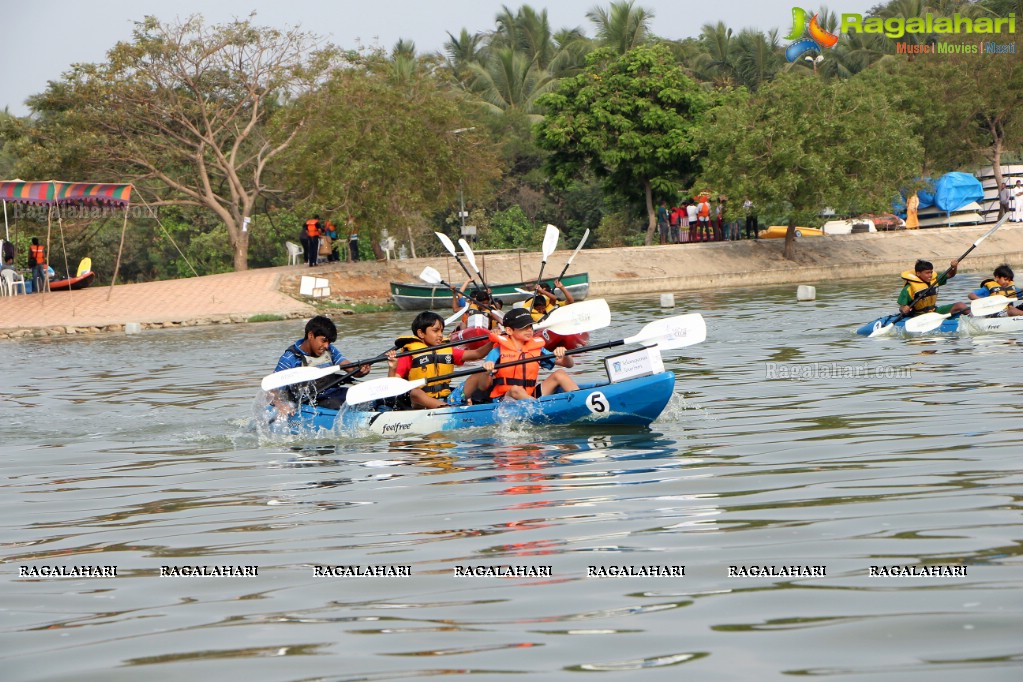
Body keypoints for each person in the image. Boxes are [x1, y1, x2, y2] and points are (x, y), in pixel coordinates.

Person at [459, 307, 578, 404]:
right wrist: (486, 372)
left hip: (531, 395)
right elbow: (483, 386)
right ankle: (541, 409)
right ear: (510, 331)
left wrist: (565, 353)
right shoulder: (497, 352)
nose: (529, 330)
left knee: (560, 374)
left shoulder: (537, 348)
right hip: (505, 398)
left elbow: (569, 365)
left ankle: (581, 400)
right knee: (516, 389)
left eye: (530, 326)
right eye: (523, 327)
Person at [386, 311, 494, 409]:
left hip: (448, 398)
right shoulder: (409, 354)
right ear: (421, 333)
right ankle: (449, 409)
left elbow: (477, 353)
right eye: (435, 331)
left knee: (478, 374)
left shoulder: (447, 350)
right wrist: (392, 367)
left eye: (441, 331)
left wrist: (493, 340)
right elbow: (393, 386)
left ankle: (454, 406)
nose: (440, 335)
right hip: (421, 403)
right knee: (415, 392)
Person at [270, 315, 371, 414]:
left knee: (363, 396)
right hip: (310, 402)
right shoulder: (290, 358)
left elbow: (352, 370)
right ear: (310, 335)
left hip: (332, 393)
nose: (326, 346)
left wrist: (362, 370)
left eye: (329, 342)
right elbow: (272, 391)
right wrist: (281, 405)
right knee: (338, 403)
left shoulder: (330, 350)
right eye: (324, 340)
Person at [898, 259, 969, 318]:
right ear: (918, 273)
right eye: (927, 273)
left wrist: (954, 267)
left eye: (931, 272)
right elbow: (902, 307)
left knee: (960, 305)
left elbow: (950, 274)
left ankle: (975, 318)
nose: (930, 275)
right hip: (920, 316)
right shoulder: (909, 288)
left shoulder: (935, 280)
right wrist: (904, 309)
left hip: (934, 310)